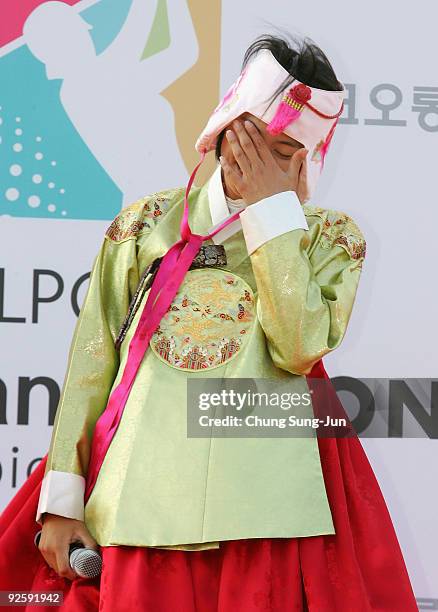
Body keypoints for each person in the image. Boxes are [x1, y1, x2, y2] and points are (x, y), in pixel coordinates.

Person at [0, 33, 418, 612]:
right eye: (253, 140)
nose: (261, 162)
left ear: (307, 158)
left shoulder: (328, 238)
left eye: (285, 154)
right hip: (138, 501)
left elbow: (297, 347)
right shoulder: (146, 225)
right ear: (225, 126)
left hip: (267, 517)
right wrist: (62, 500)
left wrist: (274, 217)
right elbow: (93, 364)